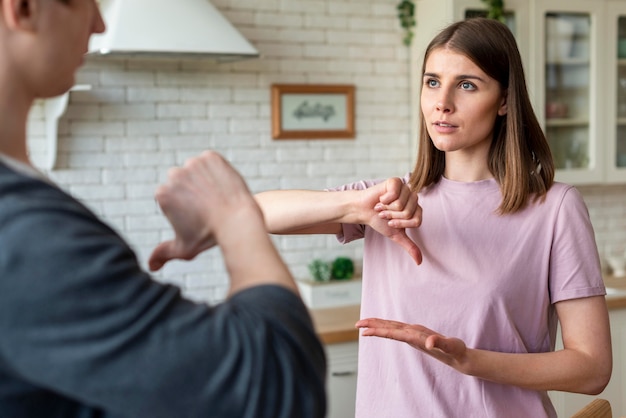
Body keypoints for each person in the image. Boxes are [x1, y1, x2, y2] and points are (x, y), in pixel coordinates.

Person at [254, 17, 612, 417]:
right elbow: (252, 213)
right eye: (432, 82)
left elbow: (592, 368)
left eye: (467, 84)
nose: (442, 101)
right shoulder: (386, 202)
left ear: (505, 100)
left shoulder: (555, 209)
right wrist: (355, 207)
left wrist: (471, 361)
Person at [0, 1, 326, 417]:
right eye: (88, 3)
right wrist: (234, 216)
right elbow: (280, 385)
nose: (100, 25)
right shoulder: (23, 233)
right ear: (24, 8)